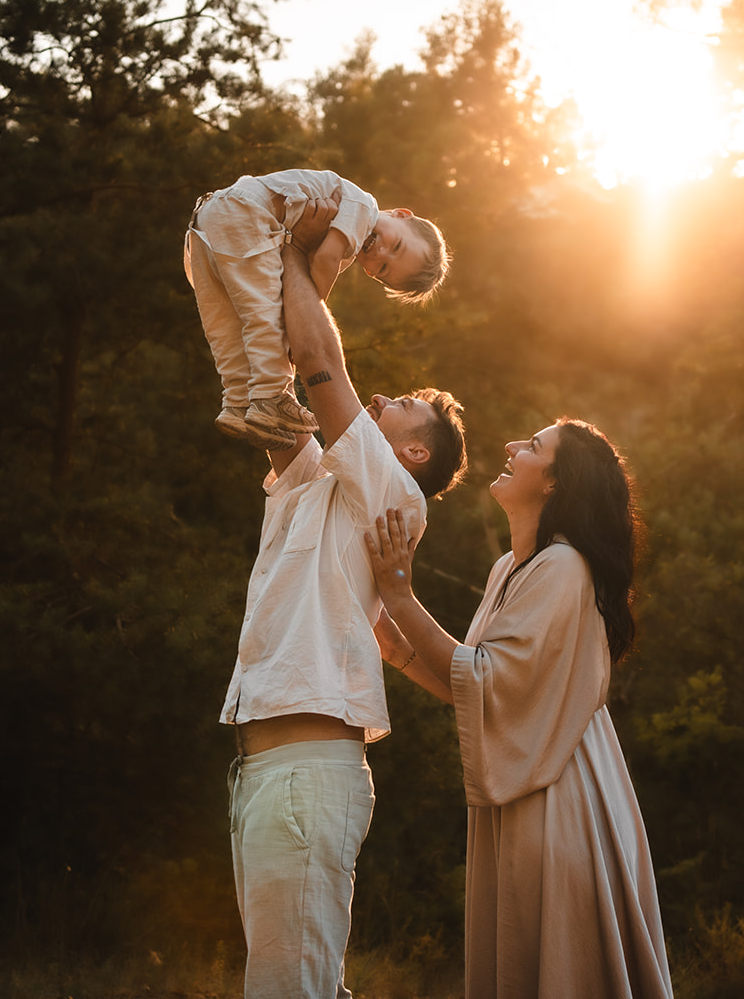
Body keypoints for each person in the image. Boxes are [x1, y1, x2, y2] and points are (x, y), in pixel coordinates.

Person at [220, 195, 467, 999]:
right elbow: (287, 388)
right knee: (299, 982)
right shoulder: (324, 479)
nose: (382, 400)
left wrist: (297, 257)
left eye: (400, 408)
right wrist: (256, 268)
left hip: (305, 770)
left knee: (290, 990)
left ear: (414, 448)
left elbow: (323, 364)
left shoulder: (397, 496)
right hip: (267, 770)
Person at [365, 419, 675, 998]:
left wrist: (401, 595)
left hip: (560, 796)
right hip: (527, 786)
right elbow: (489, 693)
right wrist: (397, 648)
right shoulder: (509, 568)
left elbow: (484, 678)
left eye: (532, 447)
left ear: (556, 483)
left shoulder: (565, 567)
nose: (511, 447)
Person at [183, 168, 450, 451]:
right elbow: (323, 260)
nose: (381, 253)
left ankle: (237, 400)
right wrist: (311, 310)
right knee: (265, 316)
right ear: (401, 214)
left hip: (208, 223)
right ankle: (270, 395)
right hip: (247, 214)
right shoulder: (362, 207)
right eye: (397, 245)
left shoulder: (352, 233)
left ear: (372, 274)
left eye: (384, 268)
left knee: (227, 326)